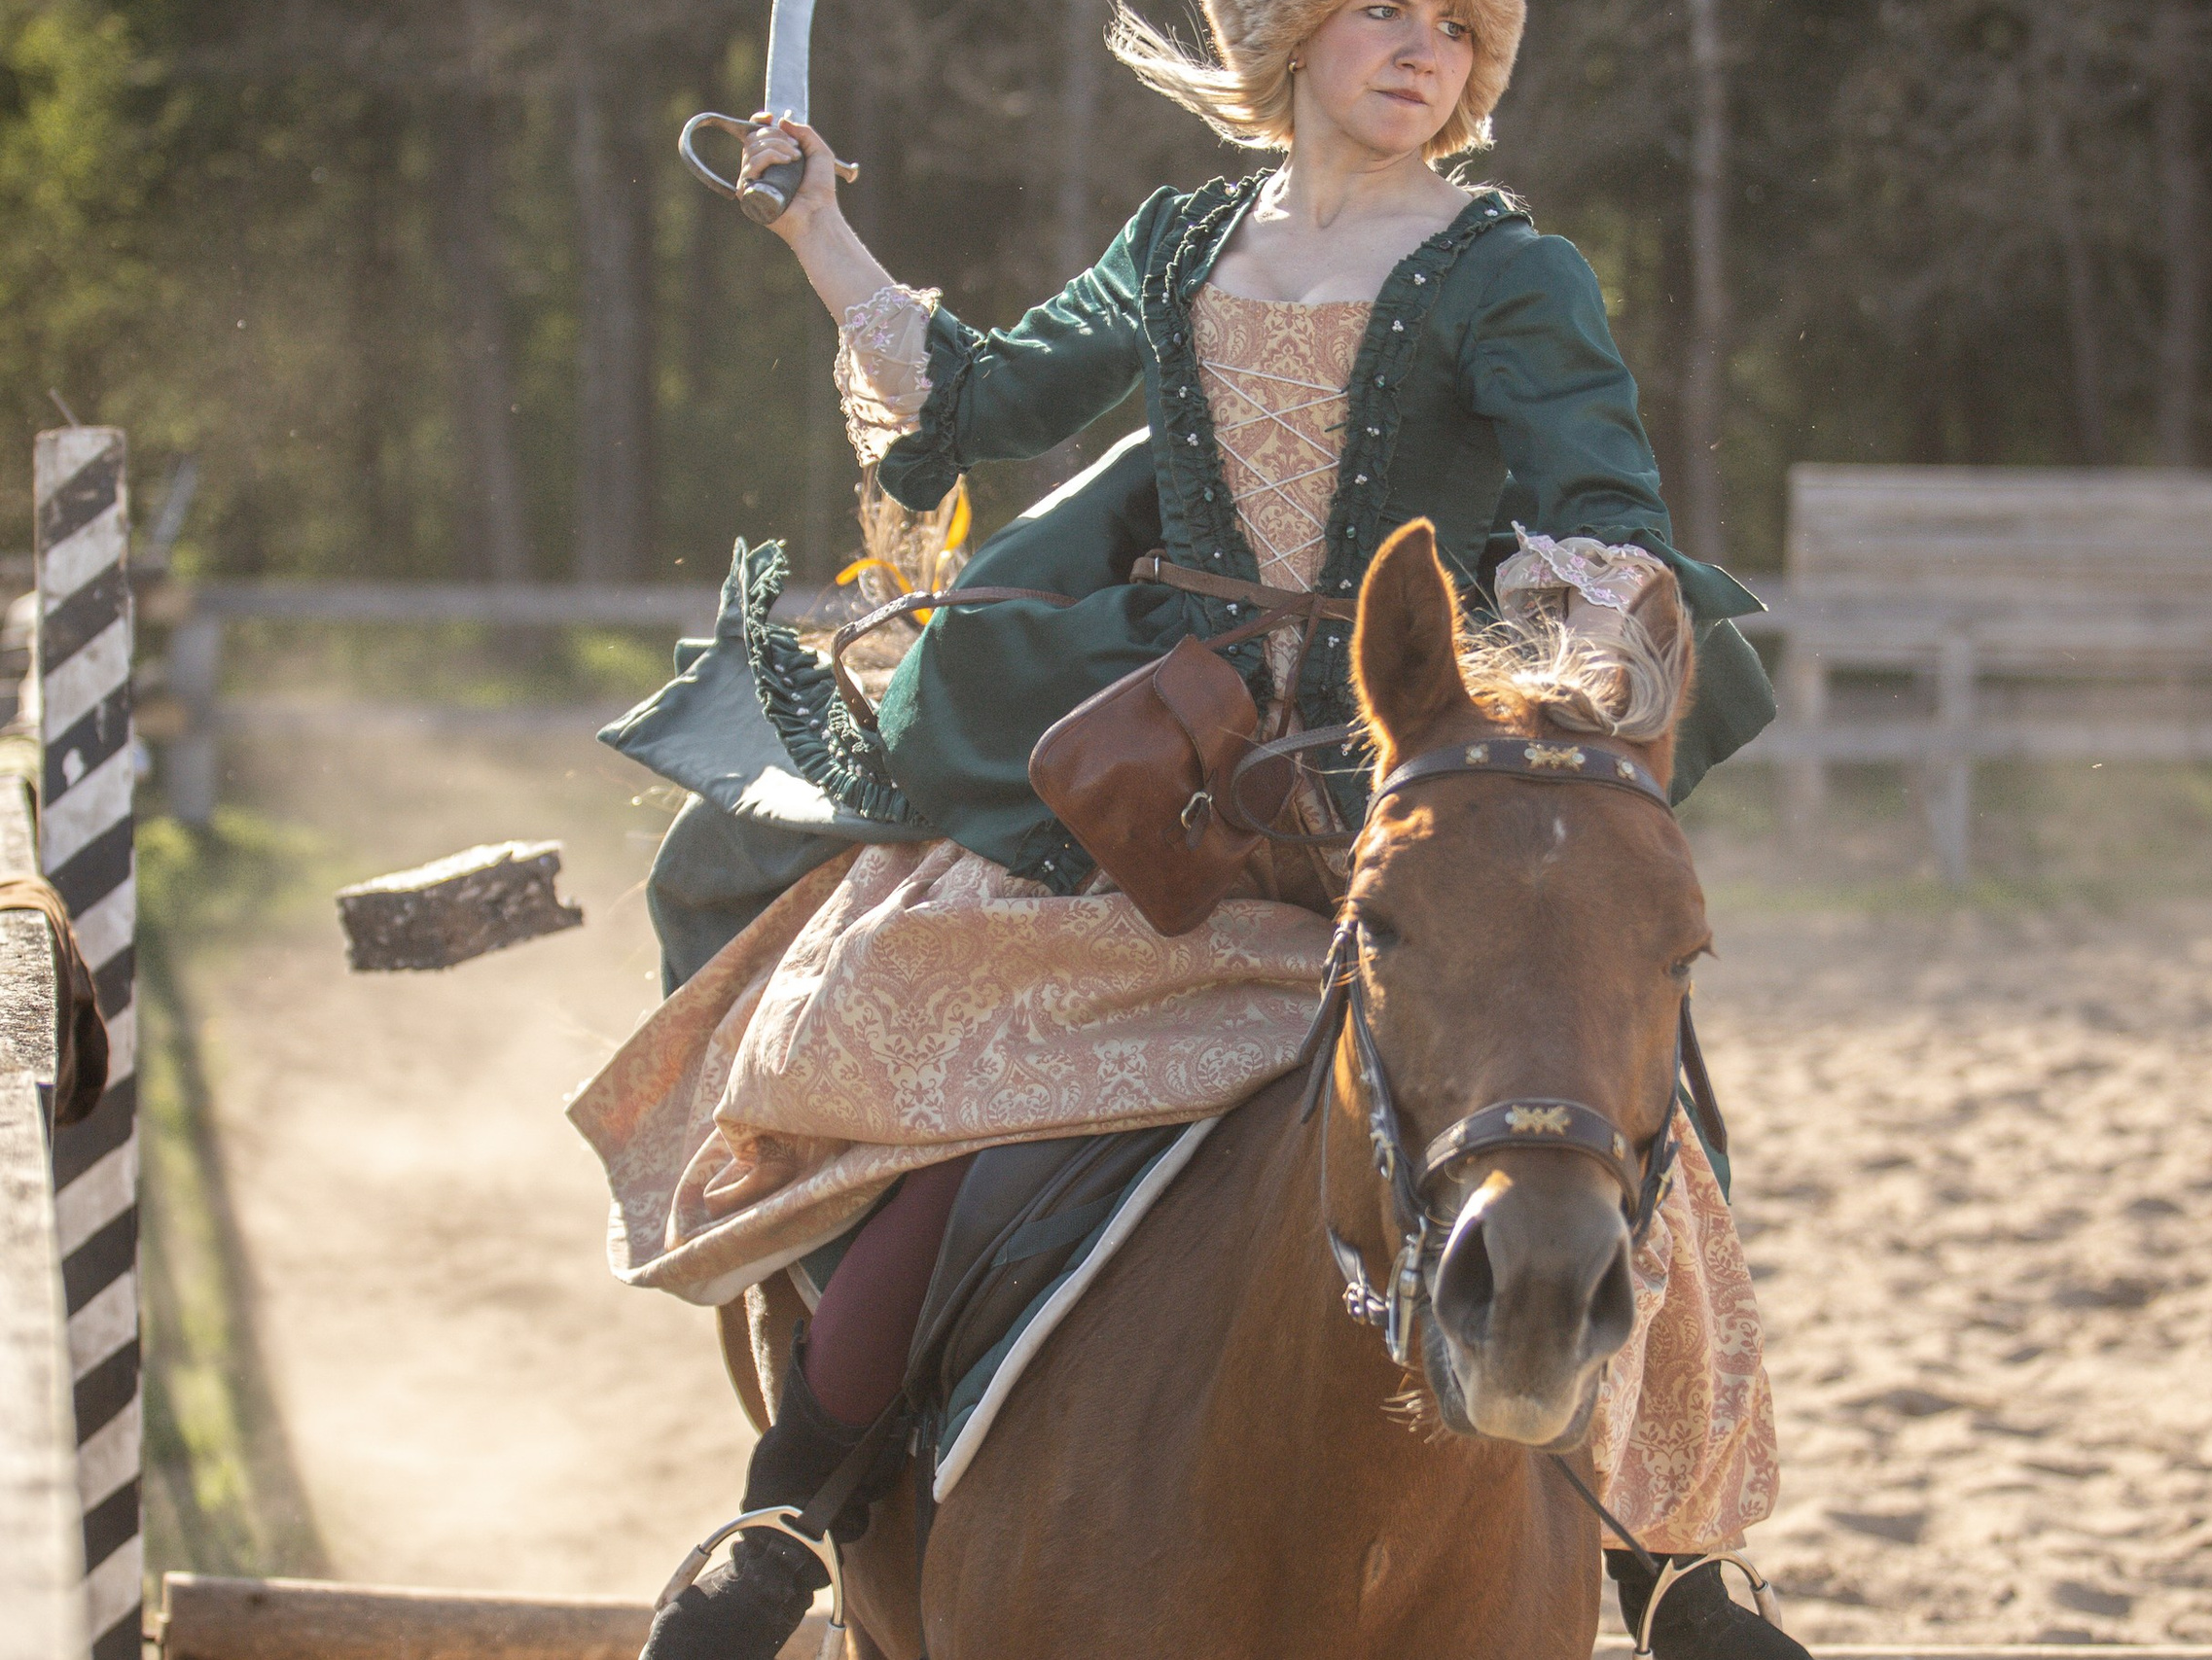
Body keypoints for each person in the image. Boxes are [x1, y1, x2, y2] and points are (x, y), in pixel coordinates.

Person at [577, 4, 1799, 1656]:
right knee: (924, 1040)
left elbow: (1606, 520)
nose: (1426, 44)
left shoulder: (1515, 270)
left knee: (1613, 1086)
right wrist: (819, 225)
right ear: (1293, 34)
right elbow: (985, 400)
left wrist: (1542, 662)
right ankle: (792, 1507)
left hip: (1407, 771)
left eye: (1461, 22)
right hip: (1177, 788)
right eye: (1386, 6)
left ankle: (1669, 1567)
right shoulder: (1181, 240)